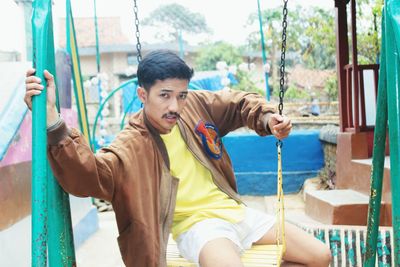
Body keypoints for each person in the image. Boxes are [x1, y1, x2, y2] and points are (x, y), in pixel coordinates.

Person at [25, 50, 331, 267]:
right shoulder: (132, 144)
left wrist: (267, 120)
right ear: (143, 95)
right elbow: (89, 175)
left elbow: (238, 104)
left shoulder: (194, 105)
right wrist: (53, 122)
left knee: (320, 257)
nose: (175, 105)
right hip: (200, 228)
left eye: (181, 95)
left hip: (236, 212)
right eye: (165, 95)